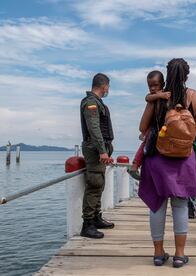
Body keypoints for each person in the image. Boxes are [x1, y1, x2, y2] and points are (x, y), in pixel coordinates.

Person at [138, 58, 196, 268]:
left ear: (166, 75)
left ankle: (158, 254)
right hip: (184, 159)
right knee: (180, 205)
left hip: (157, 158)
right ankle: (179, 254)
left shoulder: (158, 97)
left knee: (157, 206)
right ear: (187, 75)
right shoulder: (195, 97)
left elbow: (143, 127)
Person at [79, 73, 115, 239]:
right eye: (108, 87)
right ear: (104, 86)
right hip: (95, 149)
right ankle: (87, 224)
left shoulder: (97, 103)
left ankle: (96, 217)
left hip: (99, 148)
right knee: (94, 184)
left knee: (99, 183)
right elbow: (94, 128)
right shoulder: (91, 103)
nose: (108, 89)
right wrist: (102, 150)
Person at [129, 71, 170, 174]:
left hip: (160, 128)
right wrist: (160, 95)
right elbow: (147, 98)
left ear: (163, 84)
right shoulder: (154, 96)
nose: (152, 88)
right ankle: (135, 165)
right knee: (145, 142)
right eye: (150, 86)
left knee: (145, 139)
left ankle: (135, 165)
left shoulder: (166, 94)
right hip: (153, 128)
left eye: (155, 85)